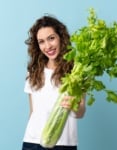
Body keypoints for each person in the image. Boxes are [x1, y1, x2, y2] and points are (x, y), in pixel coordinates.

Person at [22, 15, 86, 150]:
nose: (48, 46)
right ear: (37, 45)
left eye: (51, 38)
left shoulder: (77, 71)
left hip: (64, 143)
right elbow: (33, 112)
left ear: (61, 38)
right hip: (33, 142)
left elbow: (80, 113)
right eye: (41, 41)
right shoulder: (33, 72)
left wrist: (73, 105)